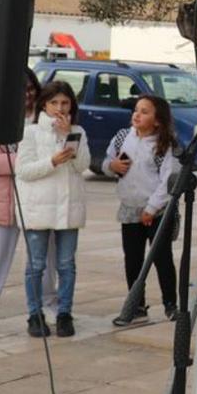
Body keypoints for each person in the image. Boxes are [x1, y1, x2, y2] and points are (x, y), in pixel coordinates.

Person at [16, 80, 91, 338]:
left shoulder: (78, 130)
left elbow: (83, 166)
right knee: (36, 264)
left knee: (66, 264)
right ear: (44, 105)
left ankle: (64, 314)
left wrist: (70, 137)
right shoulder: (30, 132)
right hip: (38, 208)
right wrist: (51, 162)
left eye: (65, 102)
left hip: (69, 208)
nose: (60, 108)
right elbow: (23, 171)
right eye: (54, 103)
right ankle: (34, 314)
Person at [0, 69, 57, 330]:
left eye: (30, 88)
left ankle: (48, 306)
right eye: (20, 90)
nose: (27, 95)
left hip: (38, 200)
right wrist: (26, 163)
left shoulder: (45, 119)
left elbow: (56, 155)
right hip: (2, 201)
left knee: (44, 259)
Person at [102, 94, 181, 326]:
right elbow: (108, 163)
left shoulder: (166, 145)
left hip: (156, 212)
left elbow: (169, 180)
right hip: (130, 208)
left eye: (145, 111)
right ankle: (136, 305)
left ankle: (170, 304)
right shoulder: (122, 138)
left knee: (161, 258)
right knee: (133, 258)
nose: (137, 115)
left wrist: (151, 208)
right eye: (136, 110)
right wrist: (112, 166)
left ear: (158, 120)